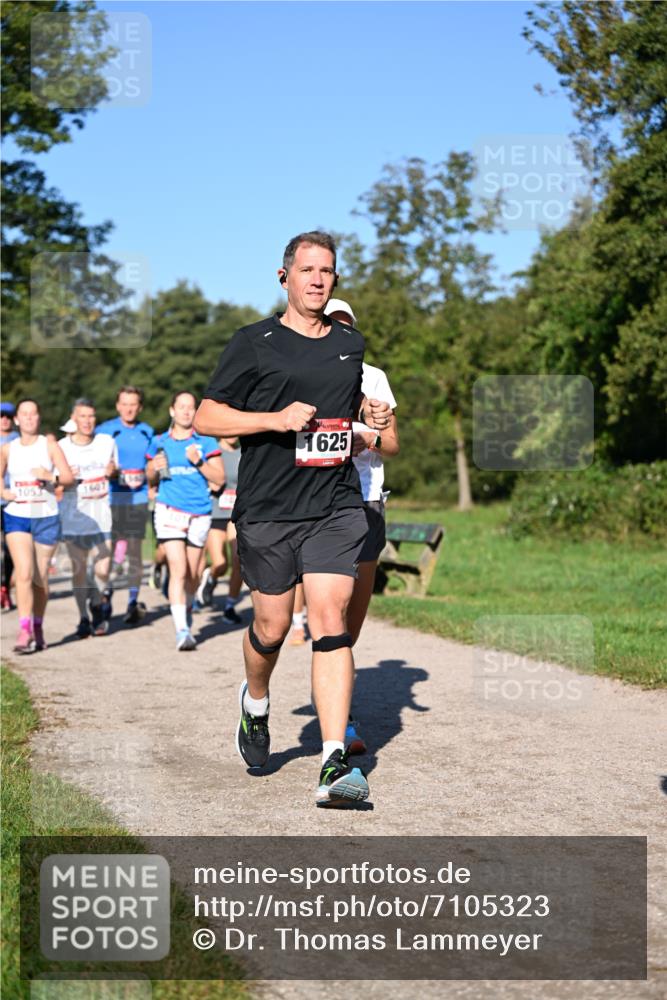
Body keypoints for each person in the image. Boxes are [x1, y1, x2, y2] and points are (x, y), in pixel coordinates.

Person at [194, 230, 392, 807]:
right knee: (273, 629)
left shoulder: (349, 346)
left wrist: (370, 412)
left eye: (326, 271)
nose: (317, 280)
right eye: (307, 270)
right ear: (285, 278)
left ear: (335, 279)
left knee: (330, 618)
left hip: (333, 504)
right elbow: (208, 415)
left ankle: (334, 764)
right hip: (269, 510)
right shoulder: (253, 342)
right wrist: (275, 420)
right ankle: (255, 703)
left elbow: (348, 407)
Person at [325, 298, 400, 755]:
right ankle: (343, 721)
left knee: (353, 616)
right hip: (317, 499)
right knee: (332, 607)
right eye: (332, 324)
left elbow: (391, 446)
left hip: (367, 497)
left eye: (346, 326)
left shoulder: (374, 378)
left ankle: (340, 699)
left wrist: (372, 431)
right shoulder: (300, 370)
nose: (339, 331)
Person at [146, 391, 224, 650]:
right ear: (172, 411)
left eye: (191, 407)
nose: (186, 412)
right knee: (178, 569)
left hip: (199, 512)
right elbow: (150, 479)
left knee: (192, 572)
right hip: (169, 509)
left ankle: (185, 612)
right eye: (181, 407)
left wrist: (199, 461)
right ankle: (181, 630)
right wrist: (153, 470)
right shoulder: (160, 441)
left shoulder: (206, 441)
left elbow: (219, 478)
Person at [0, 399, 74, 652]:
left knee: (40, 579)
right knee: (23, 572)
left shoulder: (49, 445)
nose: (30, 418)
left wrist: (50, 477)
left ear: (39, 418)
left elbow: (68, 478)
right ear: (17, 420)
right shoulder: (8, 449)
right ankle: (24, 630)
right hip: (17, 515)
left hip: (46, 515)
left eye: (34, 414)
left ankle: (38, 625)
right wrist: (3, 492)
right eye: (25, 414)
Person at [59, 399, 117, 638]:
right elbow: (55, 484)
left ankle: (96, 601)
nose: (88, 421)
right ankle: (84, 615)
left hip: (101, 514)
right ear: (74, 418)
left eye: (91, 416)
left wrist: (113, 472)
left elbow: (115, 471)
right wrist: (63, 477)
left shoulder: (107, 442)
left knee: (103, 568)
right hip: (74, 516)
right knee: (79, 570)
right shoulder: (62, 447)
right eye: (83, 416)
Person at [96, 386, 154, 625]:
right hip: (111, 498)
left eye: (133, 404)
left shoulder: (147, 431)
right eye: (124, 403)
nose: (129, 408)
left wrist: (151, 479)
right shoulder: (105, 431)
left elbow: (151, 466)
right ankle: (106, 592)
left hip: (137, 498)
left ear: (139, 407)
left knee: (134, 553)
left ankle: (132, 600)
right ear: (117, 405)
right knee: (108, 553)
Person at [197, 436, 244, 624]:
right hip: (216, 512)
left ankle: (230, 606)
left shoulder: (245, 451)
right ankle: (211, 576)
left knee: (239, 559)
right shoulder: (212, 450)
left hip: (236, 514)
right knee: (220, 563)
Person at [1, 401, 19, 611]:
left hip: (13, 502)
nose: (4, 419)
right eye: (0, 415)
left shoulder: (18, 441)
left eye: (8, 415)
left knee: (10, 549)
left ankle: (4, 587)